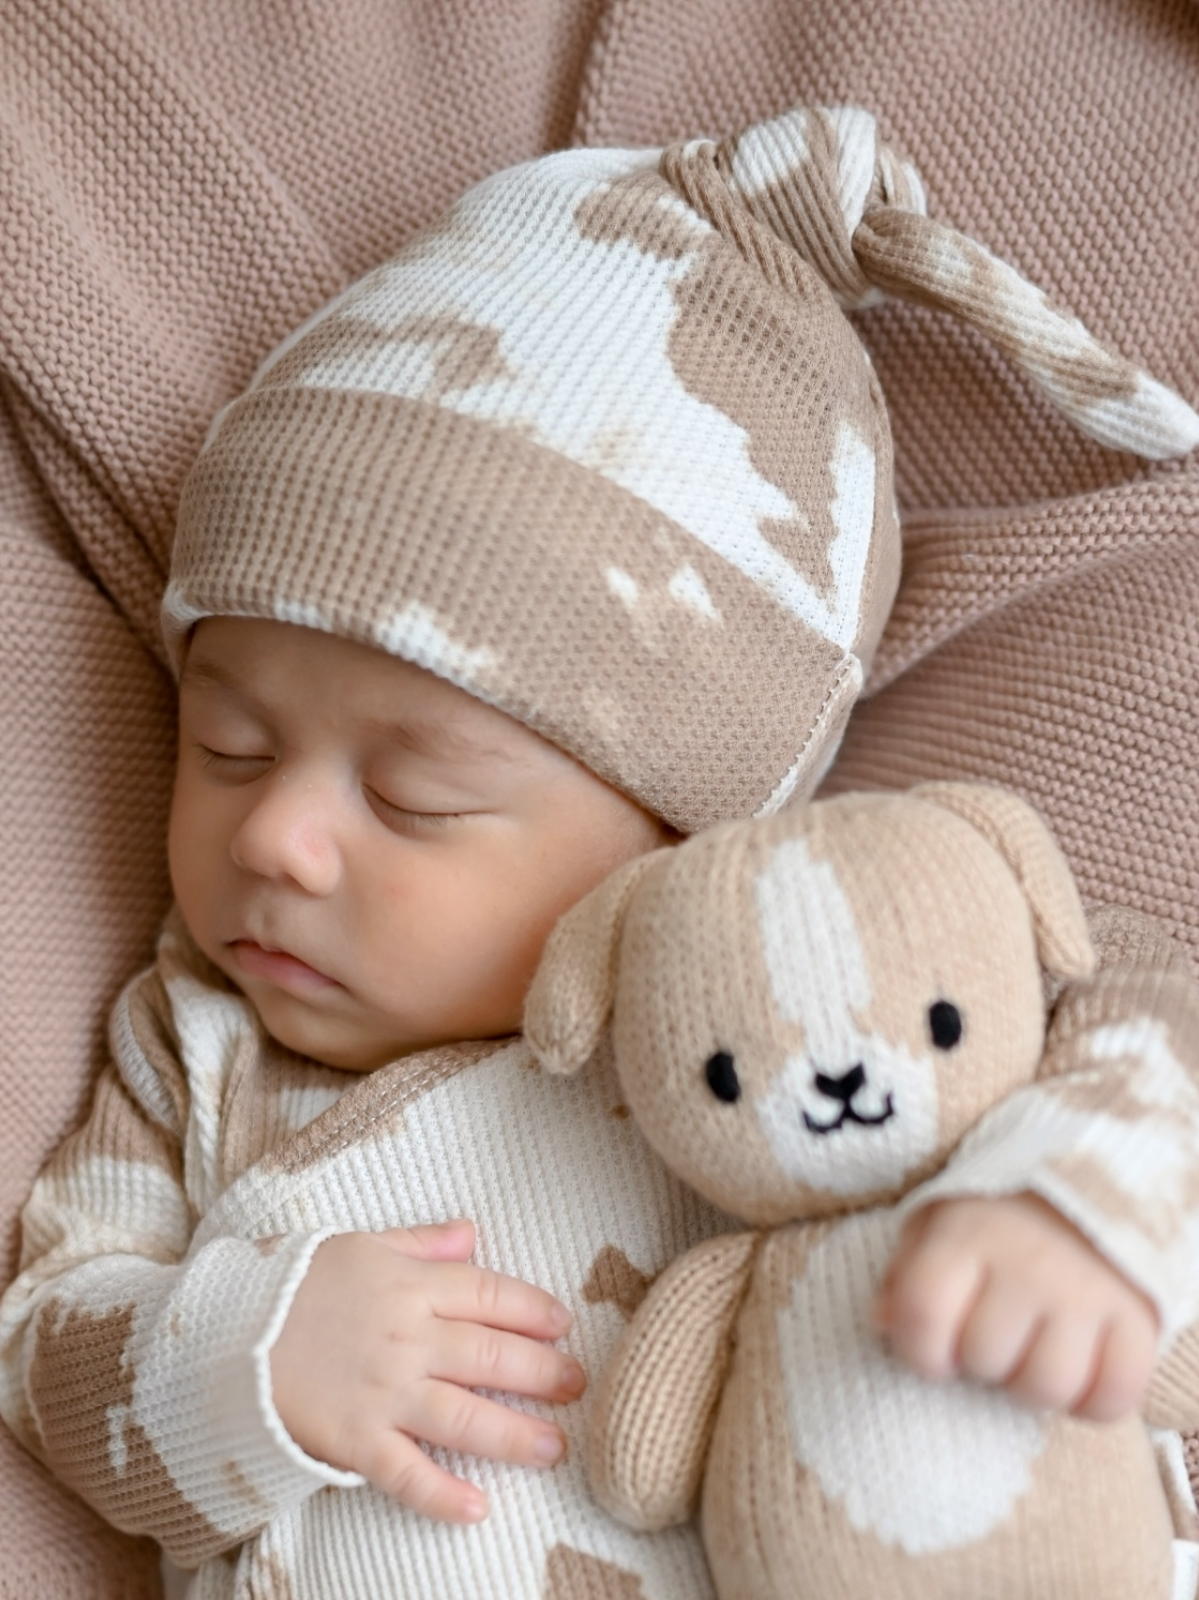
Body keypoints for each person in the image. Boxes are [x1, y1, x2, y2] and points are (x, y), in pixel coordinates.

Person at [2, 105, 1198, 1600]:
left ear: (676, 830)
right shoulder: (195, 1047)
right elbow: (45, 1341)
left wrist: (1065, 1203)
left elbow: (1141, 1002)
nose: (275, 837)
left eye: (414, 796)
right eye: (227, 744)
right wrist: (244, 1357)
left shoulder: (777, 968)